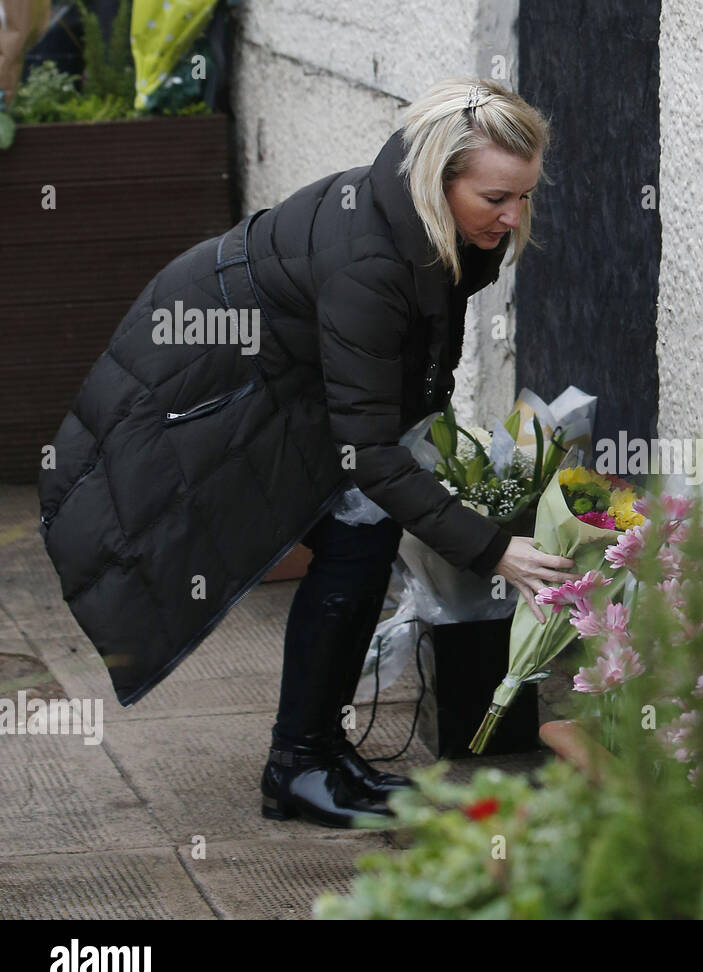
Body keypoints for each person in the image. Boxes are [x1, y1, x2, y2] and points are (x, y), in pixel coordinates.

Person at [37, 76, 575, 828]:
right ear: (437, 179)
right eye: (495, 198)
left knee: (365, 537)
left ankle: (323, 751)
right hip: (209, 367)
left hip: (289, 368)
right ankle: (295, 767)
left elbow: (420, 356)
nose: (514, 216)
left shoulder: (438, 226)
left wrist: (428, 428)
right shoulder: (372, 264)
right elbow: (369, 451)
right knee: (345, 544)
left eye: (524, 195)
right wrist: (494, 551)